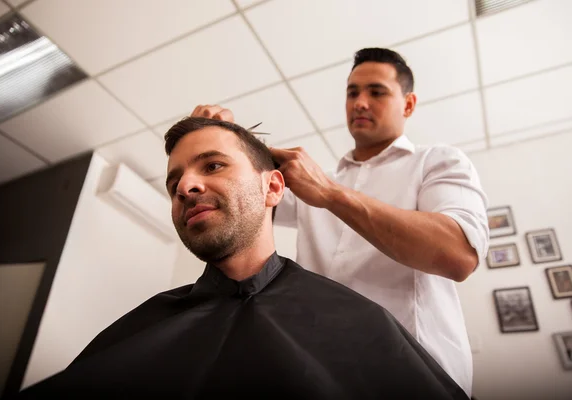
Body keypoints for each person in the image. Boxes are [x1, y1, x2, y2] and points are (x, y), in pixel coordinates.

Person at [16, 117, 467, 399]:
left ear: (273, 188)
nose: (186, 187)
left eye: (212, 166)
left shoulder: (360, 325)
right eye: (175, 183)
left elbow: (458, 253)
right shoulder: (141, 329)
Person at [190, 47, 489, 396]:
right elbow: (242, 200)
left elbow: (457, 254)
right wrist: (222, 143)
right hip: (318, 378)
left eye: (376, 92)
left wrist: (330, 194)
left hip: (416, 379)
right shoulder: (307, 183)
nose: (359, 102)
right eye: (352, 92)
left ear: (408, 104)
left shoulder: (437, 162)